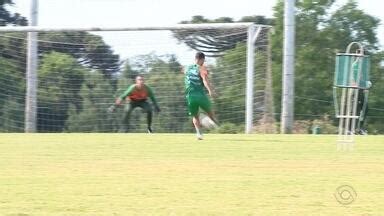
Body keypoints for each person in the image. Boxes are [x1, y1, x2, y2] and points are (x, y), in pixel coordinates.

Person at [183, 52, 217, 140]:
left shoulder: (187, 68)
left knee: (195, 116)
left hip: (189, 95)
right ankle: (208, 121)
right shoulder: (202, 68)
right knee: (210, 112)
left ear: (195, 58)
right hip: (200, 94)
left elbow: (183, 71)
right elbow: (205, 81)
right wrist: (210, 91)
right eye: (203, 60)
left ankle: (199, 134)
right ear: (202, 59)